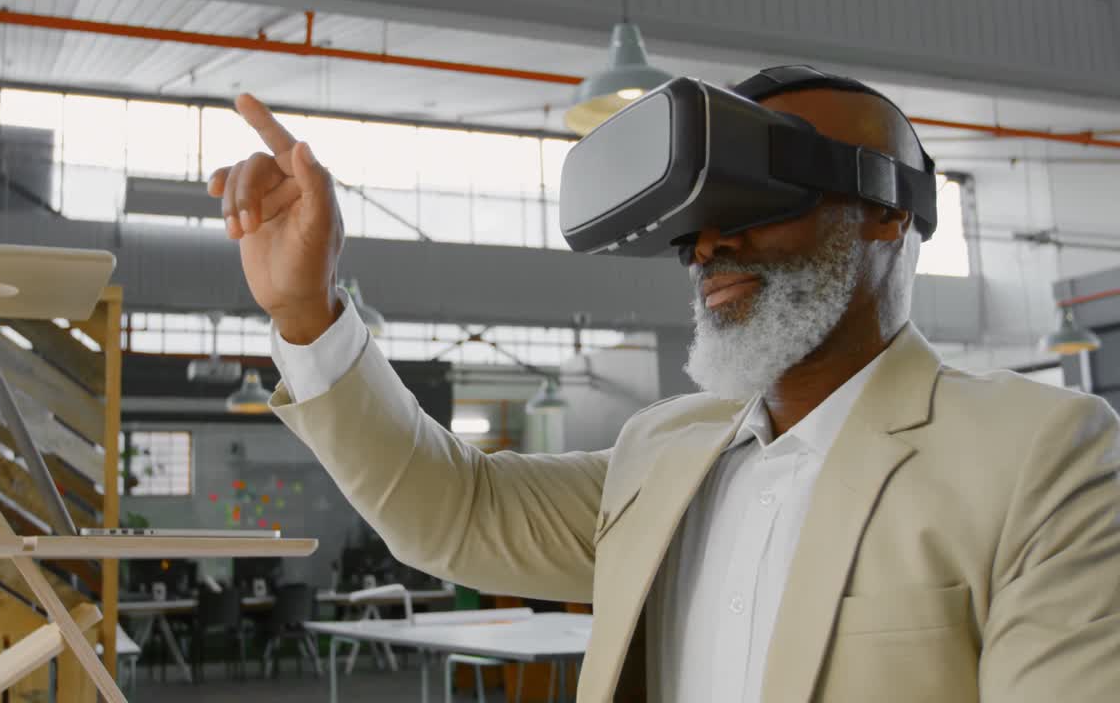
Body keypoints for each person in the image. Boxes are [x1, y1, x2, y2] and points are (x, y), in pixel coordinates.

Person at [207, 68, 1120, 702]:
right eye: (698, 222)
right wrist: (309, 315)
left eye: (754, 203)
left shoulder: (1039, 457)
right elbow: (452, 511)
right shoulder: (664, 454)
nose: (711, 247)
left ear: (882, 212)